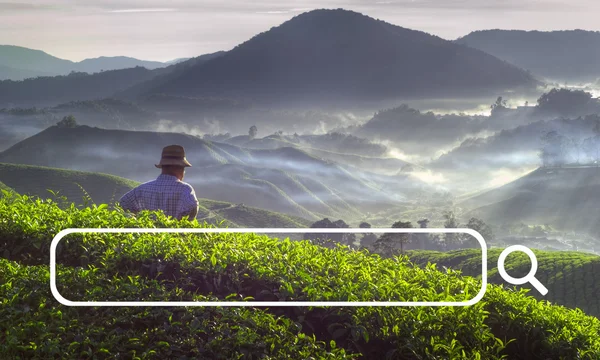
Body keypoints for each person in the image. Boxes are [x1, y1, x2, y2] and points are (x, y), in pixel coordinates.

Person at [119, 145, 199, 220]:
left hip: (148, 234)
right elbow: (193, 207)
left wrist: (137, 220)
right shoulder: (185, 190)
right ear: (180, 168)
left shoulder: (142, 189)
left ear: (163, 167)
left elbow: (123, 203)